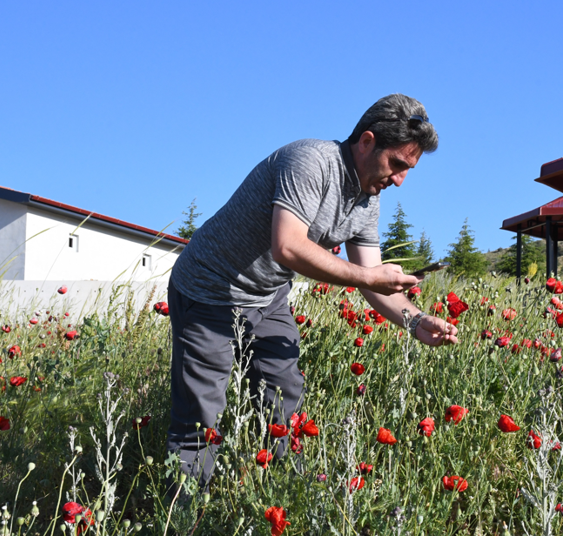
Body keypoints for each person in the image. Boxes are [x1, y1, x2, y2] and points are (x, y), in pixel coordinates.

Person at [166, 94, 459, 484]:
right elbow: (288, 246)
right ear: (367, 141)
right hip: (208, 290)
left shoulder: (367, 200)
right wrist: (369, 278)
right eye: (398, 164)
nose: (400, 180)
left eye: (409, 169)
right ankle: (183, 516)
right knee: (201, 419)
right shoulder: (310, 161)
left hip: (267, 298)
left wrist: (416, 320)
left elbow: (373, 278)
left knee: (284, 403)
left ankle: (277, 500)